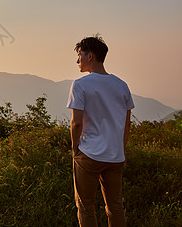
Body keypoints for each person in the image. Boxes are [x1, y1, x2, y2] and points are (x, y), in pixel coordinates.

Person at [67, 35, 134, 227]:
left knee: (86, 206)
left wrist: (75, 149)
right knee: (115, 206)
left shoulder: (80, 85)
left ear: (91, 56)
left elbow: (76, 124)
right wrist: (121, 150)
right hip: (115, 156)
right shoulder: (122, 85)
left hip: (89, 154)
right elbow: (126, 124)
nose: (77, 60)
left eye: (80, 55)